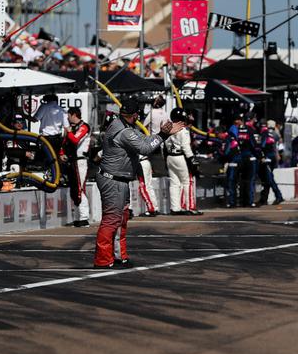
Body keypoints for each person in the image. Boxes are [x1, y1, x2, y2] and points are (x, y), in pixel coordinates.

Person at [93, 97, 184, 268]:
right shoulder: (125, 132)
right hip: (113, 179)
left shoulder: (123, 125)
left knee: (121, 218)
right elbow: (145, 148)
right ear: (135, 115)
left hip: (117, 179)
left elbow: (145, 141)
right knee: (112, 220)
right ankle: (103, 260)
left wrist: (159, 135)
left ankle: (119, 256)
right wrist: (164, 134)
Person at [164, 107, 199, 214]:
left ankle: (175, 208)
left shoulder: (168, 128)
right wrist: (192, 159)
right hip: (180, 157)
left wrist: (165, 159)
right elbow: (185, 147)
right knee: (187, 182)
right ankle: (190, 207)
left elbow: (163, 146)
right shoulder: (183, 130)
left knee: (174, 183)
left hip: (170, 156)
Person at [62, 107, 91, 227]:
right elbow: (65, 143)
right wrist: (61, 154)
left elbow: (74, 140)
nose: (67, 118)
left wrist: (68, 132)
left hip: (81, 161)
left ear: (74, 115)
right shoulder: (71, 128)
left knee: (80, 188)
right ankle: (77, 217)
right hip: (71, 161)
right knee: (74, 189)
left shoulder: (84, 126)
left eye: (68, 115)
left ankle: (84, 218)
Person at [256, 120, 284, 206]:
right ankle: (264, 198)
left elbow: (263, 146)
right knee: (266, 179)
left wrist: (261, 154)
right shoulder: (274, 134)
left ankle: (278, 196)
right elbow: (279, 146)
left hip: (268, 158)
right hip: (272, 158)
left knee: (269, 178)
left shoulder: (265, 134)